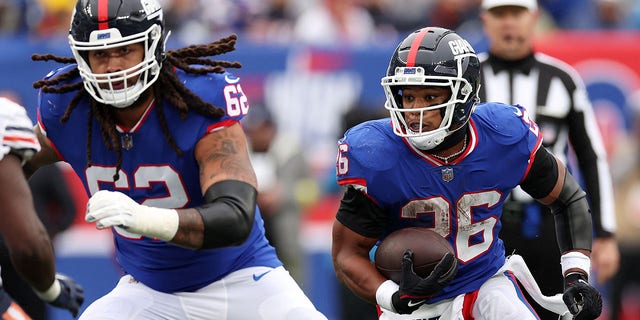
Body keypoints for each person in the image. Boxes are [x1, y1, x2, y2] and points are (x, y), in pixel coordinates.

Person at [25, 0, 327, 319]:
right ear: (82, 56)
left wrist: (142, 219)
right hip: (150, 291)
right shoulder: (67, 106)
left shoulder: (197, 100)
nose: (112, 66)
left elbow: (235, 216)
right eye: (100, 54)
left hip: (242, 279)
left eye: (125, 50)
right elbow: (14, 169)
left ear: (153, 44)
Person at [331, 26, 603, 319]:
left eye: (429, 97)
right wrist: (392, 297)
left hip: (487, 282)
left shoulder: (503, 134)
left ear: (463, 95)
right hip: (414, 304)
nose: (414, 111)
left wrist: (577, 275)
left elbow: (568, 198)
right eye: (408, 97)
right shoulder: (378, 155)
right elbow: (348, 253)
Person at [477, 1, 619, 318]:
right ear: (485, 21)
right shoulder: (466, 78)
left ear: (534, 18)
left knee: (561, 310)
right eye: (500, 14)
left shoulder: (563, 79)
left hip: (551, 223)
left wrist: (605, 233)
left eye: (517, 13)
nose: (509, 23)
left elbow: (591, 155)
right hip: (483, 223)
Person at [0, 97, 84, 318]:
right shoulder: (5, 120)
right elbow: (28, 247)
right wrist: (51, 290)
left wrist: (49, 232)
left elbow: (67, 208)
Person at [0, 162, 77, 320]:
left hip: (31, 257)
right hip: (21, 255)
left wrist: (46, 235)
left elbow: (69, 209)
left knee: (32, 310)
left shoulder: (45, 166)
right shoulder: (6, 163)